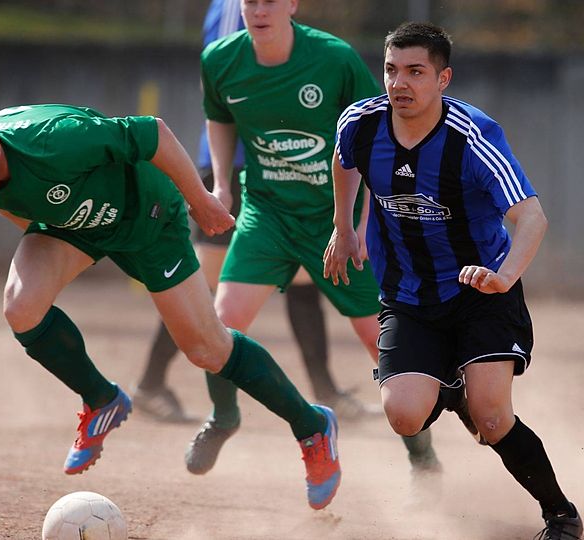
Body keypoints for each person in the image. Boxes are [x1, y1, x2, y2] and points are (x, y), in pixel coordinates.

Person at [0, 104, 342, 510]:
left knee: (206, 349)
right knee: (21, 307)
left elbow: (153, 132)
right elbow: (9, 201)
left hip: (148, 216)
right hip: (78, 224)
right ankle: (101, 399)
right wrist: (56, 236)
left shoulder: (56, 142)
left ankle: (312, 426)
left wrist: (199, 200)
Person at [324, 22, 583, 539]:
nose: (400, 83)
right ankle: (452, 387)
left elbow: (532, 218)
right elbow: (343, 159)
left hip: (481, 292)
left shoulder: (472, 137)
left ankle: (561, 514)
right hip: (406, 293)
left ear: (443, 79)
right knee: (403, 416)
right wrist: (344, 226)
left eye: (416, 72)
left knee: (492, 418)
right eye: (392, 70)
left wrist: (503, 277)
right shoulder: (362, 123)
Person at [185, 0, 446, 479]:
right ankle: (223, 417)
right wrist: (221, 184)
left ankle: (422, 456)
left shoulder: (333, 59)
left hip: (335, 218)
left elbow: (378, 135)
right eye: (249, 1)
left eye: (270, 1)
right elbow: (219, 117)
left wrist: (364, 225)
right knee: (220, 323)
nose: (259, 10)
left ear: (291, 5)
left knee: (379, 342)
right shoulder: (219, 59)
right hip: (267, 212)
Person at [132, 0, 375, 424]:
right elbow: (232, 77)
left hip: (287, 172)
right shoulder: (237, 16)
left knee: (304, 277)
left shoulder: (326, 53)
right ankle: (153, 383)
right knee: (207, 282)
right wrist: (221, 180)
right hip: (246, 164)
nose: (259, 9)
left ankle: (325, 389)